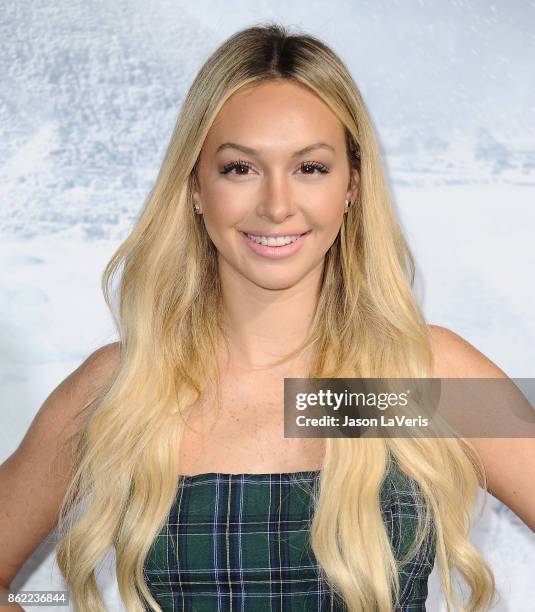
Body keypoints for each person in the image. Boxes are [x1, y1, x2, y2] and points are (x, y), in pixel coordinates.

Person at [1, 22, 533, 612]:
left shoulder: (420, 377)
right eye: (241, 168)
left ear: (352, 185)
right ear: (196, 186)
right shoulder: (125, 386)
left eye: (310, 168)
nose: (277, 205)